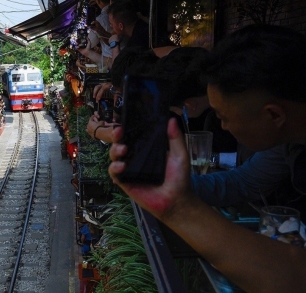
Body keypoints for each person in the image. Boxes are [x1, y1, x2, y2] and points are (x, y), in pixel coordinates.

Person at [108, 24, 306, 292]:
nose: (222, 127)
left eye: (223, 117)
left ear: (273, 115)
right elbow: (245, 181)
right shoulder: (288, 142)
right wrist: (173, 195)